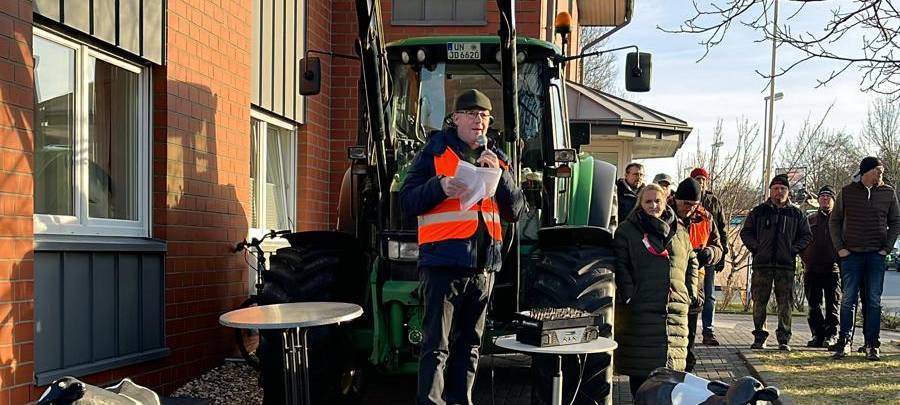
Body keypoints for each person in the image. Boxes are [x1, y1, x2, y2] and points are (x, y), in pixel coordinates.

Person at [399, 89, 524, 404]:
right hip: (443, 264)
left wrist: (501, 175)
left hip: (484, 267)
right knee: (436, 346)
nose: (478, 120)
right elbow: (407, 200)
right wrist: (439, 186)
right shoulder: (434, 152)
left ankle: (460, 400)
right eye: (470, 113)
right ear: (455, 118)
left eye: (483, 115)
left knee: (470, 346)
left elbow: (517, 211)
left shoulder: (497, 157)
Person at [614, 183, 699, 397]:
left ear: (665, 201)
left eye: (657, 201)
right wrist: (629, 293)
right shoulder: (627, 230)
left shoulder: (679, 231)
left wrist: (689, 293)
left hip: (675, 313)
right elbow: (620, 264)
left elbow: (692, 261)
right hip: (640, 311)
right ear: (640, 204)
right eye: (648, 201)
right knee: (642, 377)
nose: (653, 205)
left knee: (671, 378)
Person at [829, 157, 900, 361]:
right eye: (878, 170)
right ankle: (845, 342)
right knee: (848, 300)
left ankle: (872, 345)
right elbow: (835, 222)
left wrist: (886, 248)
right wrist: (840, 248)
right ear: (867, 171)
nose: (881, 174)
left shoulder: (888, 193)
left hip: (876, 256)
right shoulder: (847, 192)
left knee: (874, 301)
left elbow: (895, 222)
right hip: (851, 255)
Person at [740, 174, 812, 351]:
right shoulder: (758, 212)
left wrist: (793, 249)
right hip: (762, 265)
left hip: (785, 265)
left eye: (783, 189)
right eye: (776, 188)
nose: (779, 192)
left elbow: (807, 236)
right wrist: (757, 248)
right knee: (759, 302)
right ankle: (759, 337)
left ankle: (784, 339)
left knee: (785, 303)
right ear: (770, 190)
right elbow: (746, 232)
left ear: (788, 192)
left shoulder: (796, 213)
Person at [670, 178, 723, 372]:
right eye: (685, 204)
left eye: (693, 205)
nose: (689, 209)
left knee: (689, 335)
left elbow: (719, 246)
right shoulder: (663, 213)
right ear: (676, 199)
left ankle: (686, 372)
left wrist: (711, 253)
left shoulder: (706, 218)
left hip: (695, 283)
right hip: (668, 281)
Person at [690, 167, 729, 346]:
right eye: (698, 178)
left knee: (709, 295)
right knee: (689, 293)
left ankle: (708, 331)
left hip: (709, 254)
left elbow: (721, 229)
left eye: (703, 179)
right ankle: (688, 329)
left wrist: (721, 254)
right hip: (690, 254)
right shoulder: (686, 197)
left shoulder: (714, 202)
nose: (701, 181)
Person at [799, 186, 841, 348]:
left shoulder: (839, 220)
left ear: (834, 201)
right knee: (813, 306)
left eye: (828, 196)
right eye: (822, 196)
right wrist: (805, 259)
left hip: (833, 270)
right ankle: (817, 334)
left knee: (833, 305)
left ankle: (832, 334)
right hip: (812, 270)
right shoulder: (809, 220)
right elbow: (801, 241)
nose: (825, 199)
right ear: (818, 200)